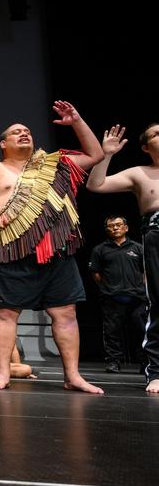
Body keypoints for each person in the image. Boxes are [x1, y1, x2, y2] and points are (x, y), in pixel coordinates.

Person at [0, 101, 104, 394]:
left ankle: (72, 375)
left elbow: (95, 155)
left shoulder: (53, 164)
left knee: (66, 313)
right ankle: (4, 373)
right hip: (9, 251)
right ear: (3, 143)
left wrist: (76, 120)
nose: (24, 134)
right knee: (6, 314)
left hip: (54, 250)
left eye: (27, 131)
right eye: (15, 132)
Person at [87, 123, 159, 393]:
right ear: (145, 146)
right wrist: (106, 155)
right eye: (156, 134)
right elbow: (96, 185)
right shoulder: (140, 173)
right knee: (158, 305)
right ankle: (157, 371)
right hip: (156, 235)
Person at [89, 215, 148, 373]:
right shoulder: (100, 249)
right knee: (112, 332)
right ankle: (114, 362)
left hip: (137, 298)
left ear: (126, 228)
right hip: (112, 298)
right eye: (111, 226)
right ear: (107, 229)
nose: (115, 228)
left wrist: (141, 287)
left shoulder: (138, 248)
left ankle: (145, 362)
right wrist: (107, 288)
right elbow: (96, 274)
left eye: (118, 225)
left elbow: (145, 271)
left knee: (142, 331)